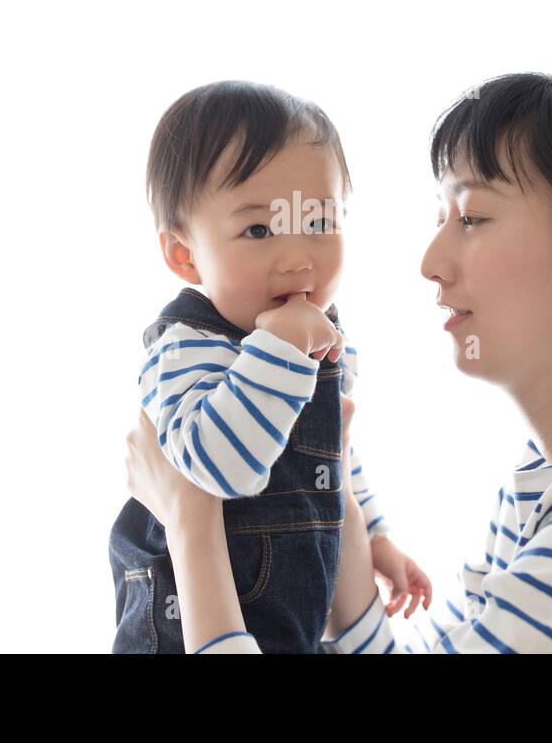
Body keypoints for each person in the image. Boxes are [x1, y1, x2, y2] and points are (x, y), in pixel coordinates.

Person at [123, 71, 552, 654]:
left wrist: (191, 521)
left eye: (473, 218)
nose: (429, 263)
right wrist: (334, 496)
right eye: (439, 220)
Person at [109, 80, 431, 654]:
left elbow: (333, 455)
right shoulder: (185, 346)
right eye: (258, 229)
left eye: (319, 223)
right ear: (185, 254)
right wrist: (280, 351)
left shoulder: (320, 335)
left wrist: (374, 535)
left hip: (291, 615)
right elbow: (218, 469)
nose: (297, 256)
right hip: (182, 629)